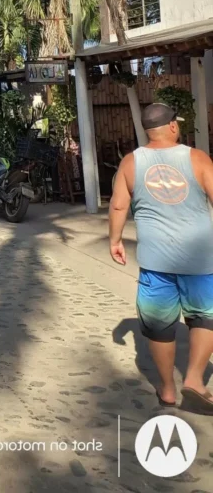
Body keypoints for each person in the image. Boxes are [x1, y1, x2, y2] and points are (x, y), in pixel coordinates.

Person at [109, 102, 213, 413]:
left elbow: (117, 206)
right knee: (205, 317)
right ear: (171, 126)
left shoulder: (130, 163)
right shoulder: (197, 158)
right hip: (201, 261)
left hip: (156, 262)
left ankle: (167, 389)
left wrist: (115, 240)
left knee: (159, 325)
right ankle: (194, 380)